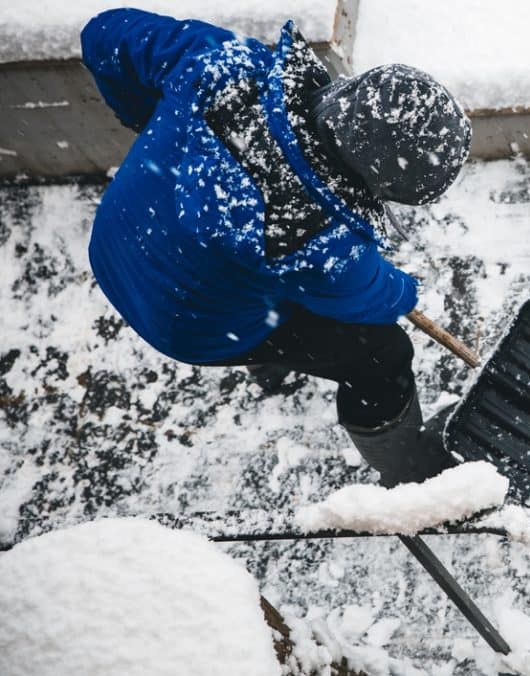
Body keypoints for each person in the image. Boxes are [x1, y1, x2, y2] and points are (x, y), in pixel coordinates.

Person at [79, 8, 472, 487]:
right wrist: (405, 292)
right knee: (381, 353)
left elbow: (104, 33)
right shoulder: (316, 240)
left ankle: (271, 359)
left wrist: (148, 118)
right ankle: (410, 468)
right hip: (186, 324)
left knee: (262, 276)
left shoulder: (223, 64)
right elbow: (374, 297)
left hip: (118, 238)